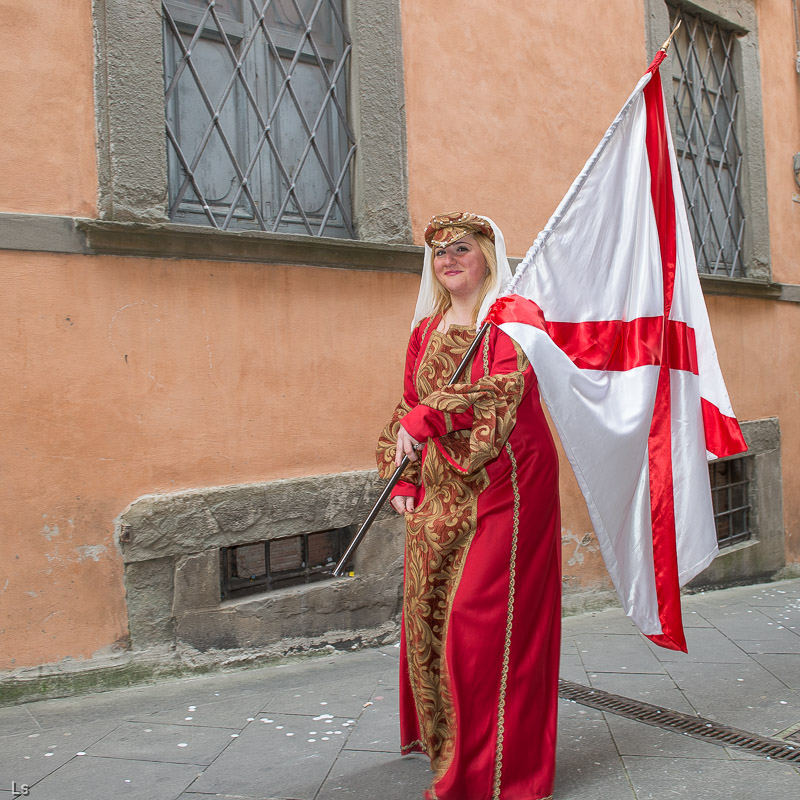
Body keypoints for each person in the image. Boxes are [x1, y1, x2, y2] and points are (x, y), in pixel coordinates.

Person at [376, 212, 561, 800]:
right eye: (437, 252)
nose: (448, 259)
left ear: (487, 254)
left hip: (509, 482)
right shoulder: (426, 329)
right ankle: (448, 742)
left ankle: (496, 771)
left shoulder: (514, 317)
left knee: (477, 621)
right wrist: (403, 479)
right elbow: (411, 401)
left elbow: (503, 391)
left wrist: (430, 416)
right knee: (426, 605)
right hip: (439, 488)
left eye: (461, 248)